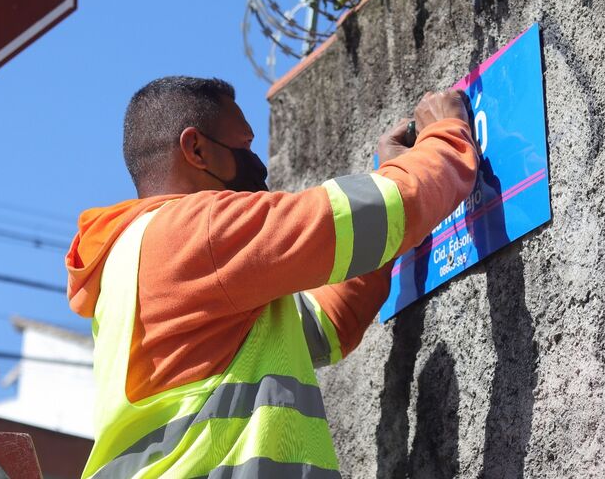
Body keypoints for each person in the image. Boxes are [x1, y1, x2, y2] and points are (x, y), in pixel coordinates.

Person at [66, 76, 478, 478]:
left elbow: (322, 327)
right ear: (196, 149)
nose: (257, 161)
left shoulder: (129, 263)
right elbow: (370, 214)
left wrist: (392, 180)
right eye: (244, 145)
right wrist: (445, 136)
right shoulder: (194, 231)